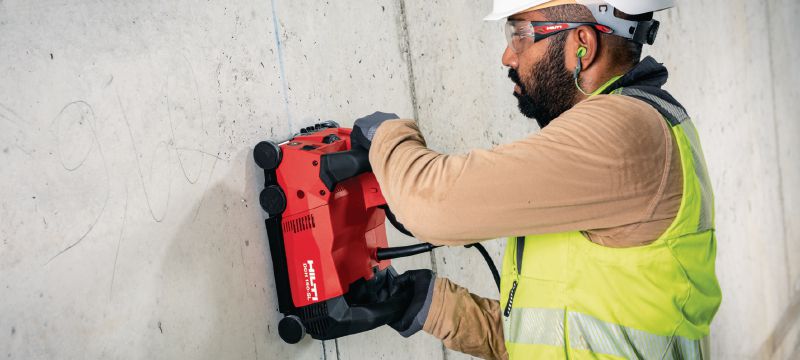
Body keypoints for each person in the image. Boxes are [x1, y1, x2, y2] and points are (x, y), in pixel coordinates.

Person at [351, 1, 722, 358]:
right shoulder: (639, 125)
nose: (508, 57)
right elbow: (558, 341)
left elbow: (430, 205)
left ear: (583, 46)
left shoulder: (625, 134)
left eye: (521, 34)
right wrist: (430, 304)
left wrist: (386, 135)